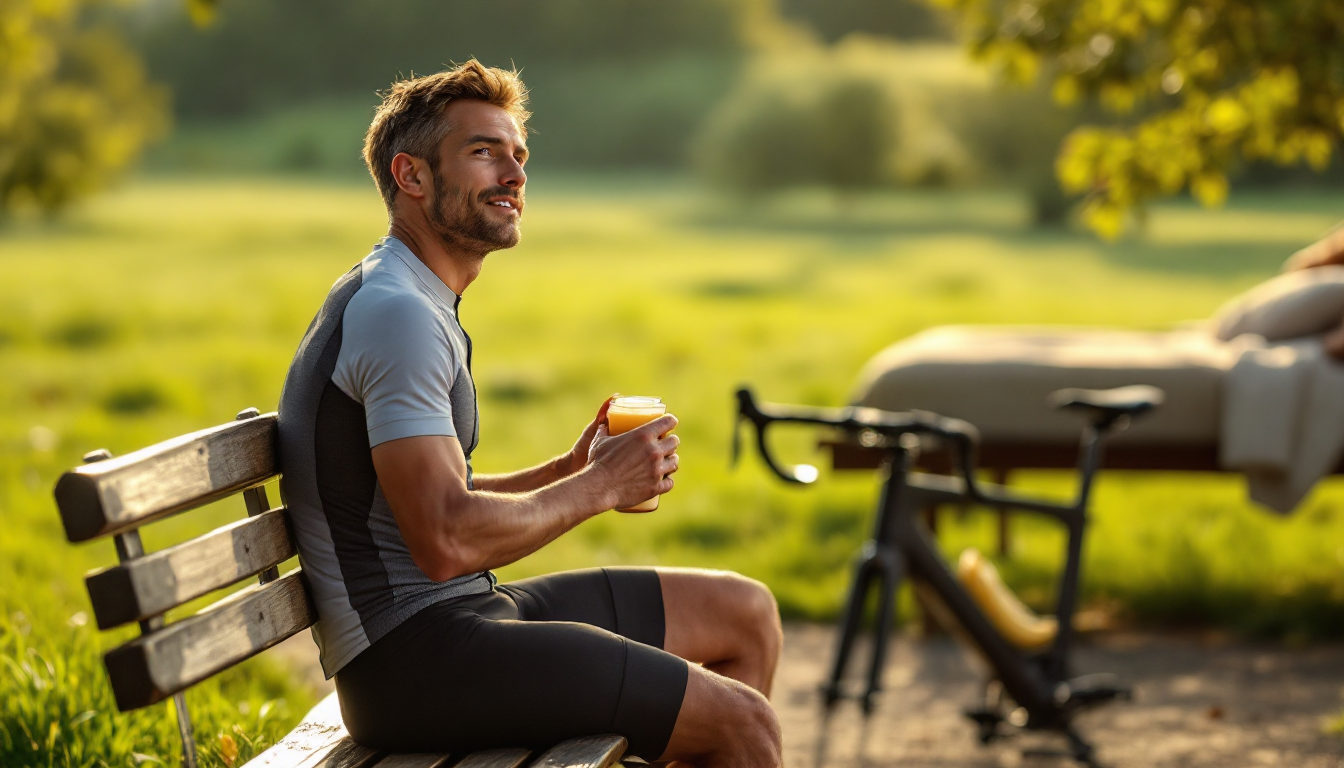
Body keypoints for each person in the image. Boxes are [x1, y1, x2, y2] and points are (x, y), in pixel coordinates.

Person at [276, 60, 783, 768]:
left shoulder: (408, 296)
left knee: (744, 614)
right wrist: (601, 486)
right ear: (411, 175)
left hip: (463, 616)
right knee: (745, 723)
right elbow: (444, 538)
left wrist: (566, 470)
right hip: (412, 663)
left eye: (518, 155)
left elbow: (417, 499)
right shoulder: (398, 316)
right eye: (484, 151)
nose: (514, 174)